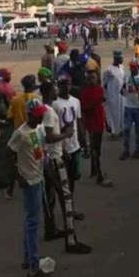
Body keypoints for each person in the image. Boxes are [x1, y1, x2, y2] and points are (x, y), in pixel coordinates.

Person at [40, 81, 93, 253]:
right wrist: (66, 135)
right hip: (55, 159)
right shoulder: (49, 112)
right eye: (54, 88)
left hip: (49, 158)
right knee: (66, 200)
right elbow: (49, 137)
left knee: (50, 197)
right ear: (49, 92)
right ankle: (71, 241)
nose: (57, 90)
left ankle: (51, 229)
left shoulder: (45, 109)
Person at [8, 99, 52, 277]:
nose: (42, 115)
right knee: (33, 222)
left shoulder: (39, 129)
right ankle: (34, 267)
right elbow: (9, 153)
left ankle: (28, 257)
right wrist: (19, 177)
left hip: (39, 177)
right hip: (30, 181)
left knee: (31, 220)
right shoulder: (21, 133)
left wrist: (46, 166)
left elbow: (42, 149)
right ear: (30, 114)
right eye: (39, 113)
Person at [52, 75, 86, 220]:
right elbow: (53, 129)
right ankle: (66, 211)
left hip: (75, 146)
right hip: (61, 149)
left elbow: (79, 122)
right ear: (58, 86)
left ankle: (70, 208)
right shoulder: (55, 104)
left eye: (69, 84)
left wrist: (84, 142)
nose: (66, 87)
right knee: (62, 183)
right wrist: (62, 149)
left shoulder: (75, 101)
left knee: (73, 180)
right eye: (63, 84)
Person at [80, 70, 112, 187]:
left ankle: (94, 170)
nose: (91, 80)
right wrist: (95, 102)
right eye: (89, 78)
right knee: (95, 150)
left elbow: (102, 108)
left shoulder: (99, 90)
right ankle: (99, 174)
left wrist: (107, 123)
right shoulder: (84, 92)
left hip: (99, 124)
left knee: (97, 149)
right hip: (91, 125)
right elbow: (84, 108)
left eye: (93, 78)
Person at [120, 58, 139, 161]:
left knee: (138, 131)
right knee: (127, 129)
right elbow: (122, 89)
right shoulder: (127, 76)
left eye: (134, 67)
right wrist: (126, 95)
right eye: (131, 67)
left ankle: (137, 150)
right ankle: (126, 150)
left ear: (138, 67)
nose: (132, 69)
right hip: (128, 107)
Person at [102, 50, 125, 140]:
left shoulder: (121, 67)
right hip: (112, 95)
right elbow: (104, 83)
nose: (122, 59)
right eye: (121, 58)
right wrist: (105, 95)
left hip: (121, 95)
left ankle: (121, 130)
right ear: (116, 58)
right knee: (113, 114)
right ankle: (114, 132)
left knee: (122, 112)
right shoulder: (109, 70)